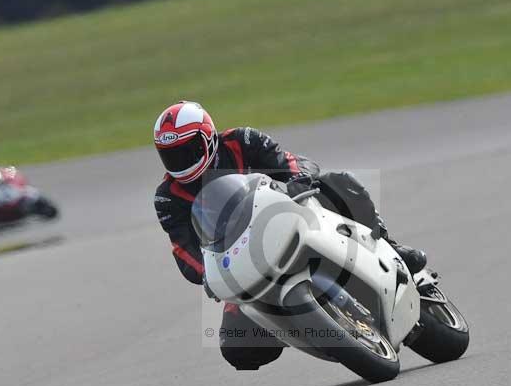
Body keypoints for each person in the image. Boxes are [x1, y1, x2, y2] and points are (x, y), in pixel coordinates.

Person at [153, 101, 426, 370]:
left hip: (288, 215)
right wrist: (207, 275)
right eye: (171, 155)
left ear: (208, 138)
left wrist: (298, 179)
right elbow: (184, 249)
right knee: (237, 348)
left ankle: (391, 246)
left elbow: (288, 161)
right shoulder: (167, 198)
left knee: (340, 183)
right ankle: (300, 324)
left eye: (189, 150)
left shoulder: (241, 140)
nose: (181, 162)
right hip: (240, 259)